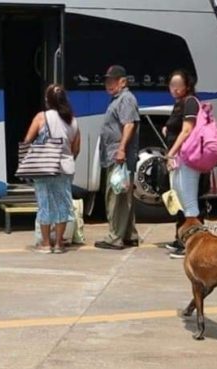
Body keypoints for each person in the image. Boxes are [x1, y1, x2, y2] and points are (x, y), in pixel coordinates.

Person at [22, 84, 80, 254]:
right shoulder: (73, 120)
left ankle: (46, 244)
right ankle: (59, 244)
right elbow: (76, 148)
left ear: (48, 100)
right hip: (65, 168)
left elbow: (27, 140)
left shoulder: (41, 117)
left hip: (45, 167)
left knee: (44, 204)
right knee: (63, 204)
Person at [162, 69, 210, 259]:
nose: (174, 88)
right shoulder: (180, 104)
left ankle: (193, 245)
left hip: (187, 159)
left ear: (187, 86)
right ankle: (184, 240)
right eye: (171, 85)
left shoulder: (190, 102)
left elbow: (187, 130)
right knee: (181, 200)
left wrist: (171, 153)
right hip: (180, 160)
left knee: (190, 203)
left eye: (177, 85)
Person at [94, 65, 140, 250]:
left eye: (112, 80)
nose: (108, 84)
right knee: (122, 196)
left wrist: (121, 149)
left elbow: (129, 125)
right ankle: (128, 235)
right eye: (107, 80)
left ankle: (115, 237)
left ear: (123, 81)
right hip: (116, 155)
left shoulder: (126, 99)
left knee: (116, 197)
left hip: (119, 156)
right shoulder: (118, 99)